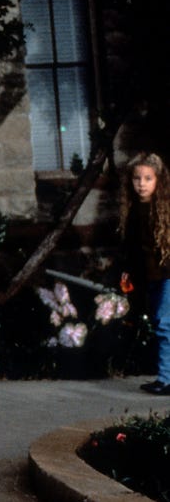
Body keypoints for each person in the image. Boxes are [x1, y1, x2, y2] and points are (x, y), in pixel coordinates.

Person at [119, 152, 170, 395]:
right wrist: (127, 272)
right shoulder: (133, 210)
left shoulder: (164, 210)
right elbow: (133, 248)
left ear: (159, 180)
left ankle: (167, 379)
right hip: (151, 277)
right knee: (161, 323)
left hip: (167, 275)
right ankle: (165, 376)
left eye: (148, 178)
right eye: (137, 178)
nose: (141, 184)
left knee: (165, 324)